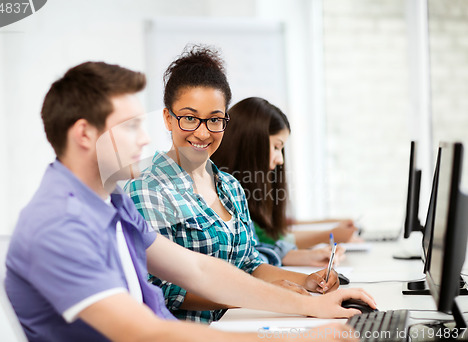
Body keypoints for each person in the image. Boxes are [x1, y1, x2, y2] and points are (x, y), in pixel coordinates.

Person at [4, 61, 373, 342]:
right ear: (85, 134)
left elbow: (199, 270)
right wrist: (292, 337)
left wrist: (312, 306)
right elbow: (144, 333)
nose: (145, 140)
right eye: (130, 126)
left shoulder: (111, 202)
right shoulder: (59, 224)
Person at [126, 45, 368, 323]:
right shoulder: (148, 191)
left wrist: (307, 281)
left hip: (237, 324)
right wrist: (263, 295)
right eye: (190, 118)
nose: (203, 132)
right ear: (168, 118)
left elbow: (250, 265)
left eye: (215, 119)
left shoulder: (229, 186)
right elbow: (162, 290)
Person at [212, 97, 358, 266]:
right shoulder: (223, 192)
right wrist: (328, 234)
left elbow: (263, 244)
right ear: (251, 144)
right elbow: (269, 242)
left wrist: (328, 232)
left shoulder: (242, 189)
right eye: (276, 147)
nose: (280, 159)